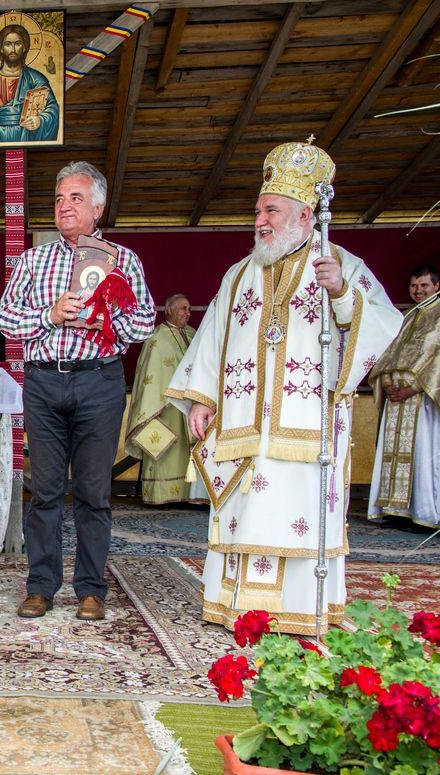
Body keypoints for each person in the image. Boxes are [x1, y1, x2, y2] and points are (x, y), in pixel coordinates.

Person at [166, 139, 401, 635]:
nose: (260, 221)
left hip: (307, 426)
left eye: (270, 210)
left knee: (297, 515)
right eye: (258, 211)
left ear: (305, 214)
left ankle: (299, 610)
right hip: (244, 423)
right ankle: (237, 608)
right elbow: (213, 341)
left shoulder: (341, 265)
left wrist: (342, 294)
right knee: (245, 509)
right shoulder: (237, 275)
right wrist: (201, 398)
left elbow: (383, 330)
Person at [0, 160, 154, 621]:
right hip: (44, 381)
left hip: (99, 380)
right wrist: (49, 315)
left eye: (76, 198)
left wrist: (106, 313)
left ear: (98, 208)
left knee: (93, 491)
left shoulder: (122, 260)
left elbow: (145, 323)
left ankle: (91, 589)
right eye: (59, 198)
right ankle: (40, 587)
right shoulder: (33, 260)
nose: (64, 206)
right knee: (45, 491)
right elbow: (6, 319)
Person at [368, 264, 440, 527]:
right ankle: (395, 511)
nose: (418, 291)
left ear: (436, 286)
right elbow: (390, 353)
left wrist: (413, 388)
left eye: (424, 285)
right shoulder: (408, 316)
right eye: (414, 285)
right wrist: (386, 382)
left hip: (423, 397)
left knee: (423, 456)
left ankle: (423, 513)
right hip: (396, 398)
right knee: (393, 454)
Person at [123, 293, 198, 504]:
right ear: (170, 310)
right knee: (165, 449)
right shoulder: (156, 339)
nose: (188, 313)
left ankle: (188, 495)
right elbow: (149, 376)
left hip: (189, 405)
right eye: (183, 308)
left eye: (189, 309)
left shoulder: (192, 334)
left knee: (186, 452)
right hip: (164, 407)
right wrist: (154, 407)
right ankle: (161, 496)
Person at [0, 24, 59, 143]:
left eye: (18, 44)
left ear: (24, 48)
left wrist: (40, 120)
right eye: (8, 44)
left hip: (26, 135)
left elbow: (52, 108)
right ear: (1, 48)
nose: (13, 49)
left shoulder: (36, 79)